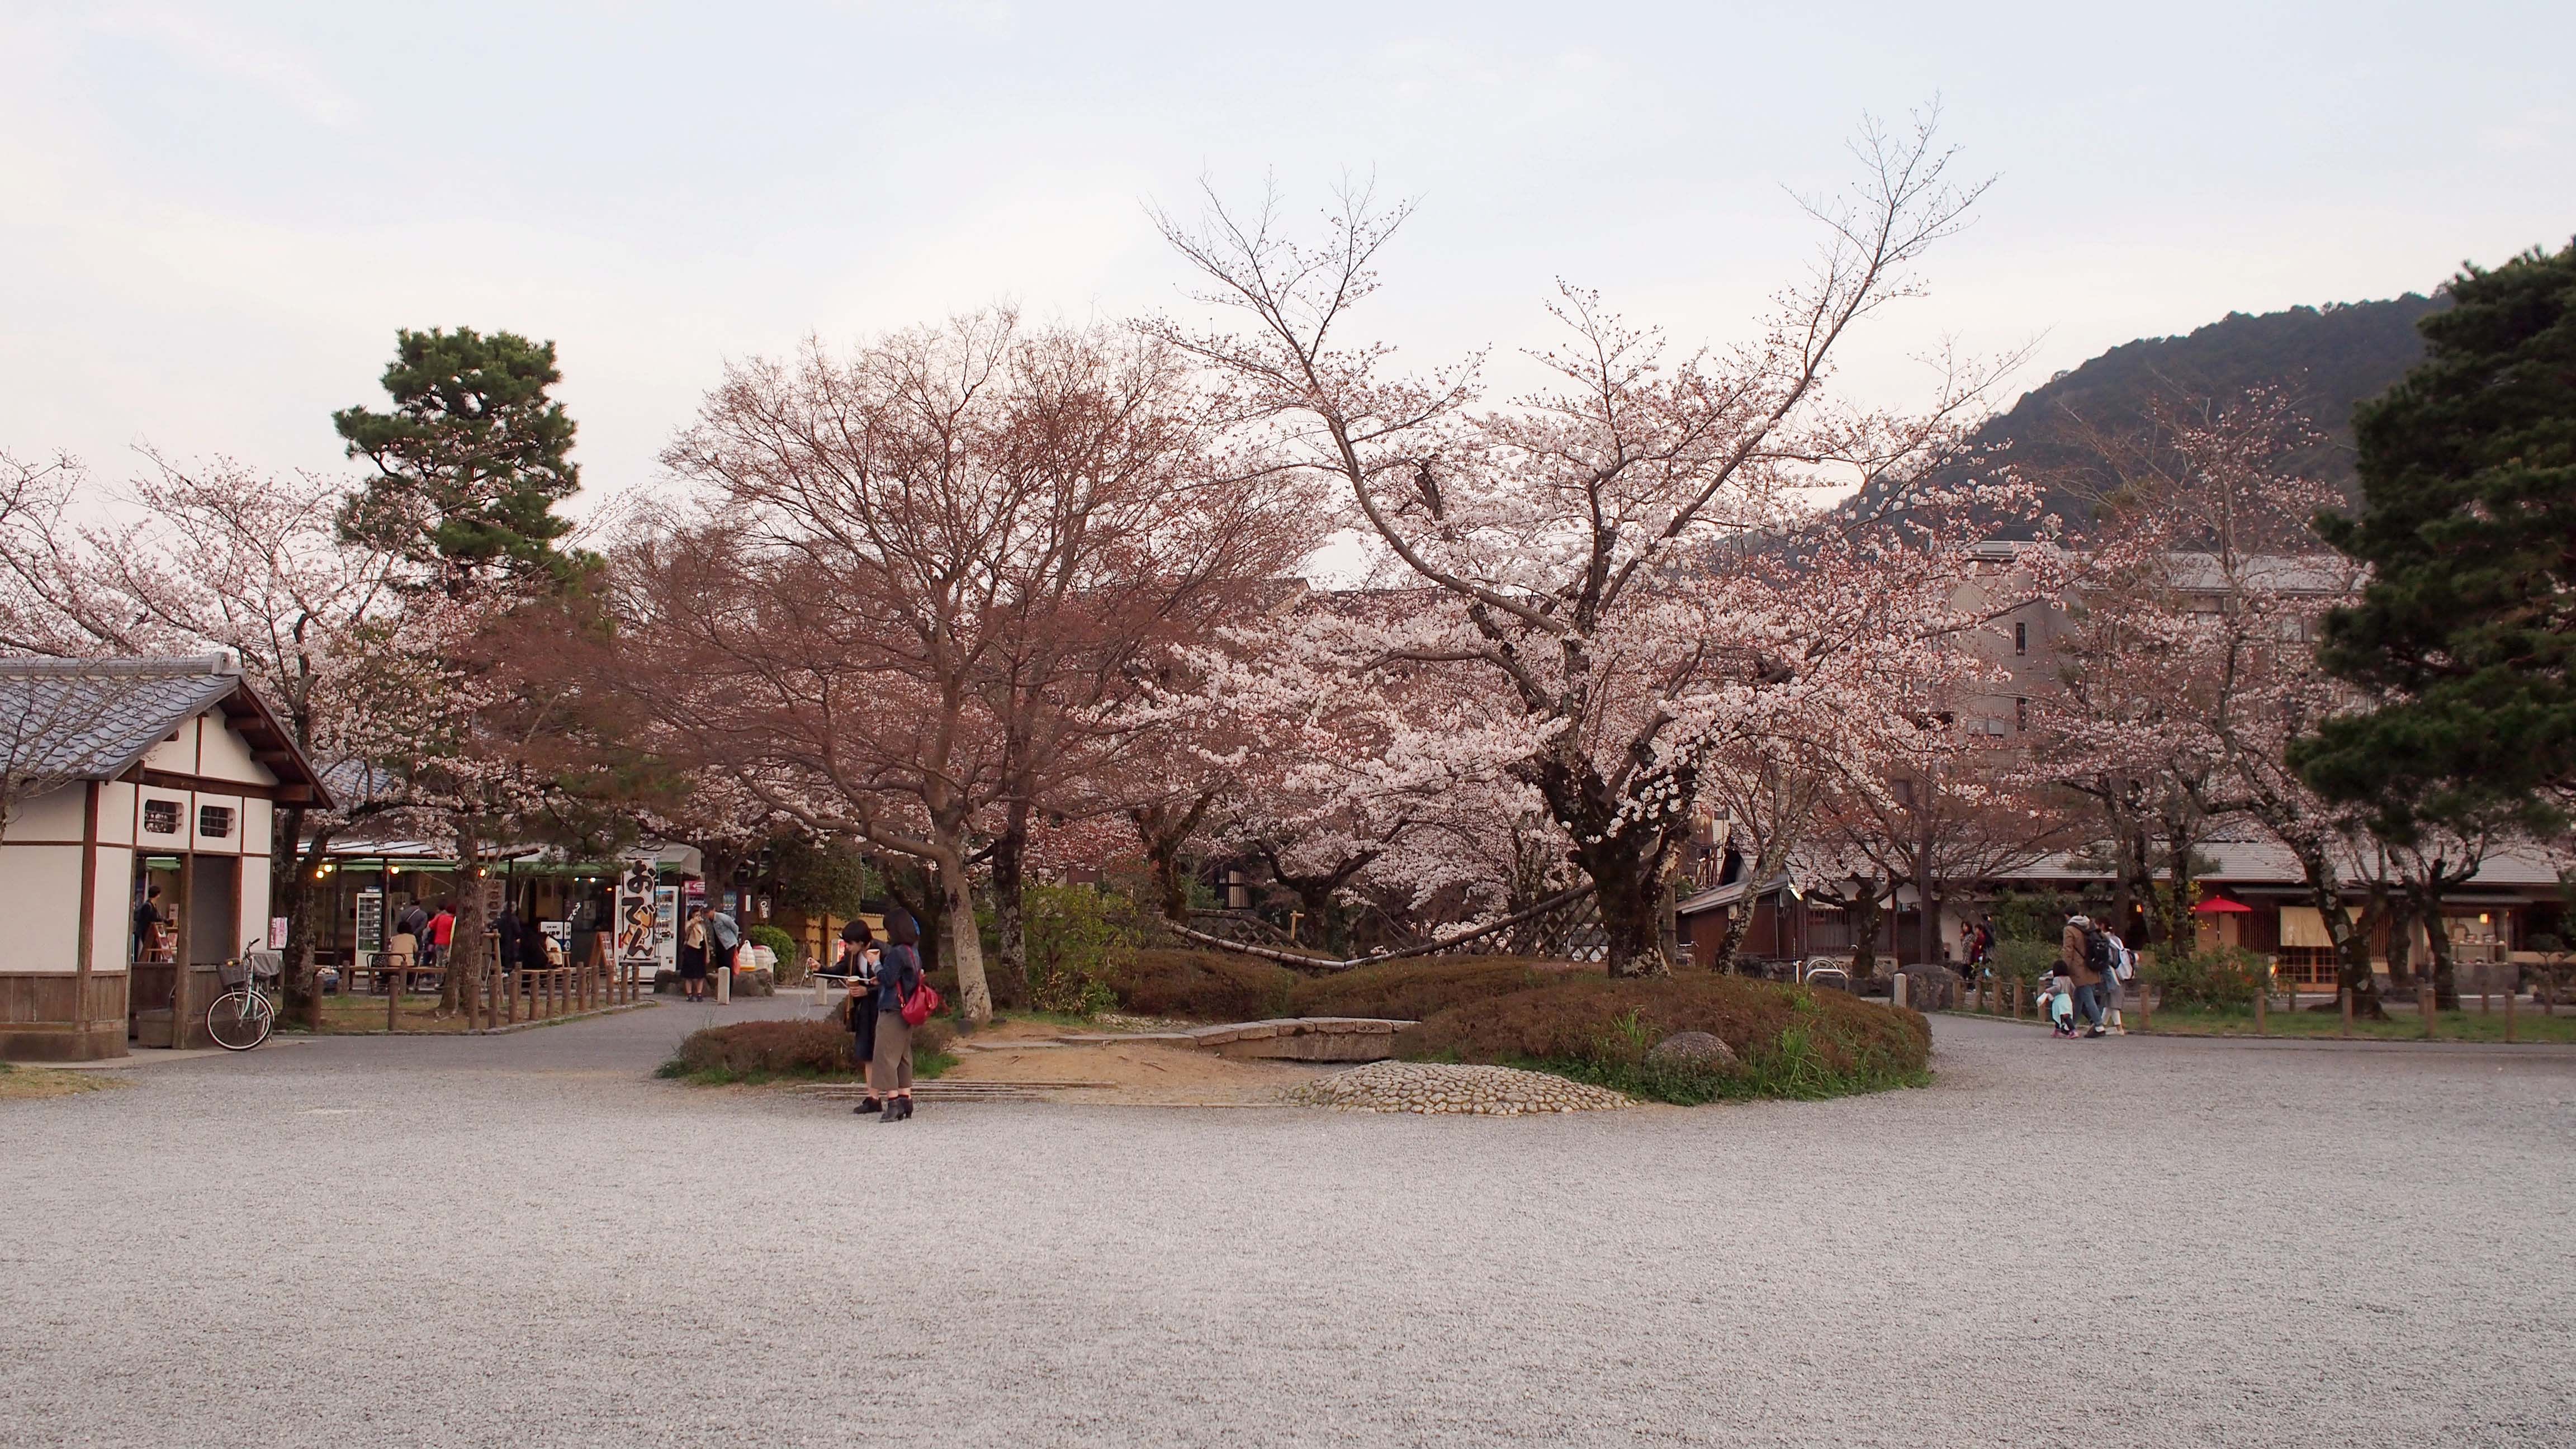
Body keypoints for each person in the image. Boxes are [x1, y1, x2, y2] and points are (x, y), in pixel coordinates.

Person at [870, 911, 925, 1123]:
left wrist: (875, 963)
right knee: (904, 1057)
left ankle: (893, 1103)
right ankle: (906, 1099)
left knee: (885, 1056)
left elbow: (888, 978)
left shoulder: (896, 952)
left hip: (892, 1009)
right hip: (907, 1009)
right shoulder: (913, 952)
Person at [841, 920, 883, 1115]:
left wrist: (869, 991)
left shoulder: (884, 951)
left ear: (861, 942)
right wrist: (819, 968)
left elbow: (892, 982)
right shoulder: (852, 956)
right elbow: (839, 970)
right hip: (865, 1008)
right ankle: (873, 1097)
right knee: (867, 1053)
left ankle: (897, 1096)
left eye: (850, 943)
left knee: (887, 1053)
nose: (847, 947)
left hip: (883, 1007)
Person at [2061, 913, 2108, 1038]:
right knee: (2078, 997)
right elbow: (2104, 938)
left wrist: (2064, 967)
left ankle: (2099, 1026)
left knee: (2087, 997)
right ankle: (2069, 1026)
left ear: (2067, 916)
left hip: (2078, 968)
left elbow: (2068, 950)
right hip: (2091, 965)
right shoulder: (2089, 925)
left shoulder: (2069, 930)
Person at [706, 907, 741, 1006]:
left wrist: (734, 941)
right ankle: (721, 993)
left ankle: (728, 994)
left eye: (708, 912)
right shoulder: (710, 921)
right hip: (719, 947)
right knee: (721, 969)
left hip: (728, 945)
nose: (708, 914)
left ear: (713, 910)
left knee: (728, 968)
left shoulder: (722, 918)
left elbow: (735, 928)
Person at [678, 907, 709, 1001]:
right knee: (689, 974)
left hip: (701, 949)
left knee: (701, 974)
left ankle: (699, 994)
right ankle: (689, 994)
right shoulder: (689, 923)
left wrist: (707, 953)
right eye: (696, 915)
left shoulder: (702, 925)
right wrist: (693, 922)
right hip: (691, 949)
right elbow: (687, 931)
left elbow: (706, 939)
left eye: (699, 915)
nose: (699, 917)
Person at [133, 884, 169, 963]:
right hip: (147, 931)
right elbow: (149, 919)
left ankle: (153, 962)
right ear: (157, 895)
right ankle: (147, 963)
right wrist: (161, 920)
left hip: (152, 931)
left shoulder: (153, 905)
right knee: (149, 947)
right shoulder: (148, 906)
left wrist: (164, 920)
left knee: (155, 947)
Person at [427, 900, 456, 972]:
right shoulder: (454, 921)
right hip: (447, 943)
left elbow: (431, 925)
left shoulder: (441, 917)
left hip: (438, 941)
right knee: (445, 962)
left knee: (438, 962)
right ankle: (443, 980)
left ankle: (437, 981)